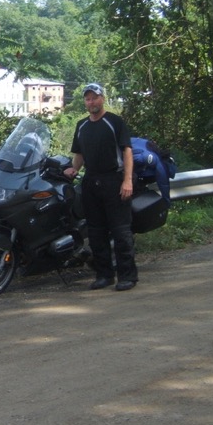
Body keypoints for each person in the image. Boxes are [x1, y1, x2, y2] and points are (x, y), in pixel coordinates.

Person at [64, 83, 138, 291]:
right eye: (87, 99)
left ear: (102, 98)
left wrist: (127, 180)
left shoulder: (114, 122)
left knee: (121, 231)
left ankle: (127, 276)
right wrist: (73, 169)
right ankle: (104, 275)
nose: (91, 102)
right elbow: (79, 155)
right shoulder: (81, 126)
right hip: (91, 182)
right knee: (96, 232)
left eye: (94, 98)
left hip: (114, 180)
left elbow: (127, 152)